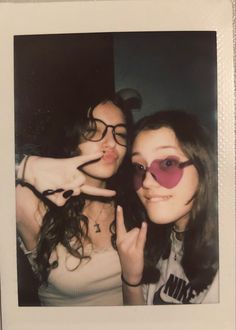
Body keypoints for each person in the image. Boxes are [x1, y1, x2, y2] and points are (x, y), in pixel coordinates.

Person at [16, 92, 135, 306]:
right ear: (71, 137)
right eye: (93, 130)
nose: (111, 143)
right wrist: (25, 167)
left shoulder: (137, 201)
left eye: (121, 134)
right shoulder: (35, 203)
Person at [116, 110, 219, 305]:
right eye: (139, 167)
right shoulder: (155, 243)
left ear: (203, 166)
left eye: (167, 163)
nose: (146, 182)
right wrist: (131, 279)